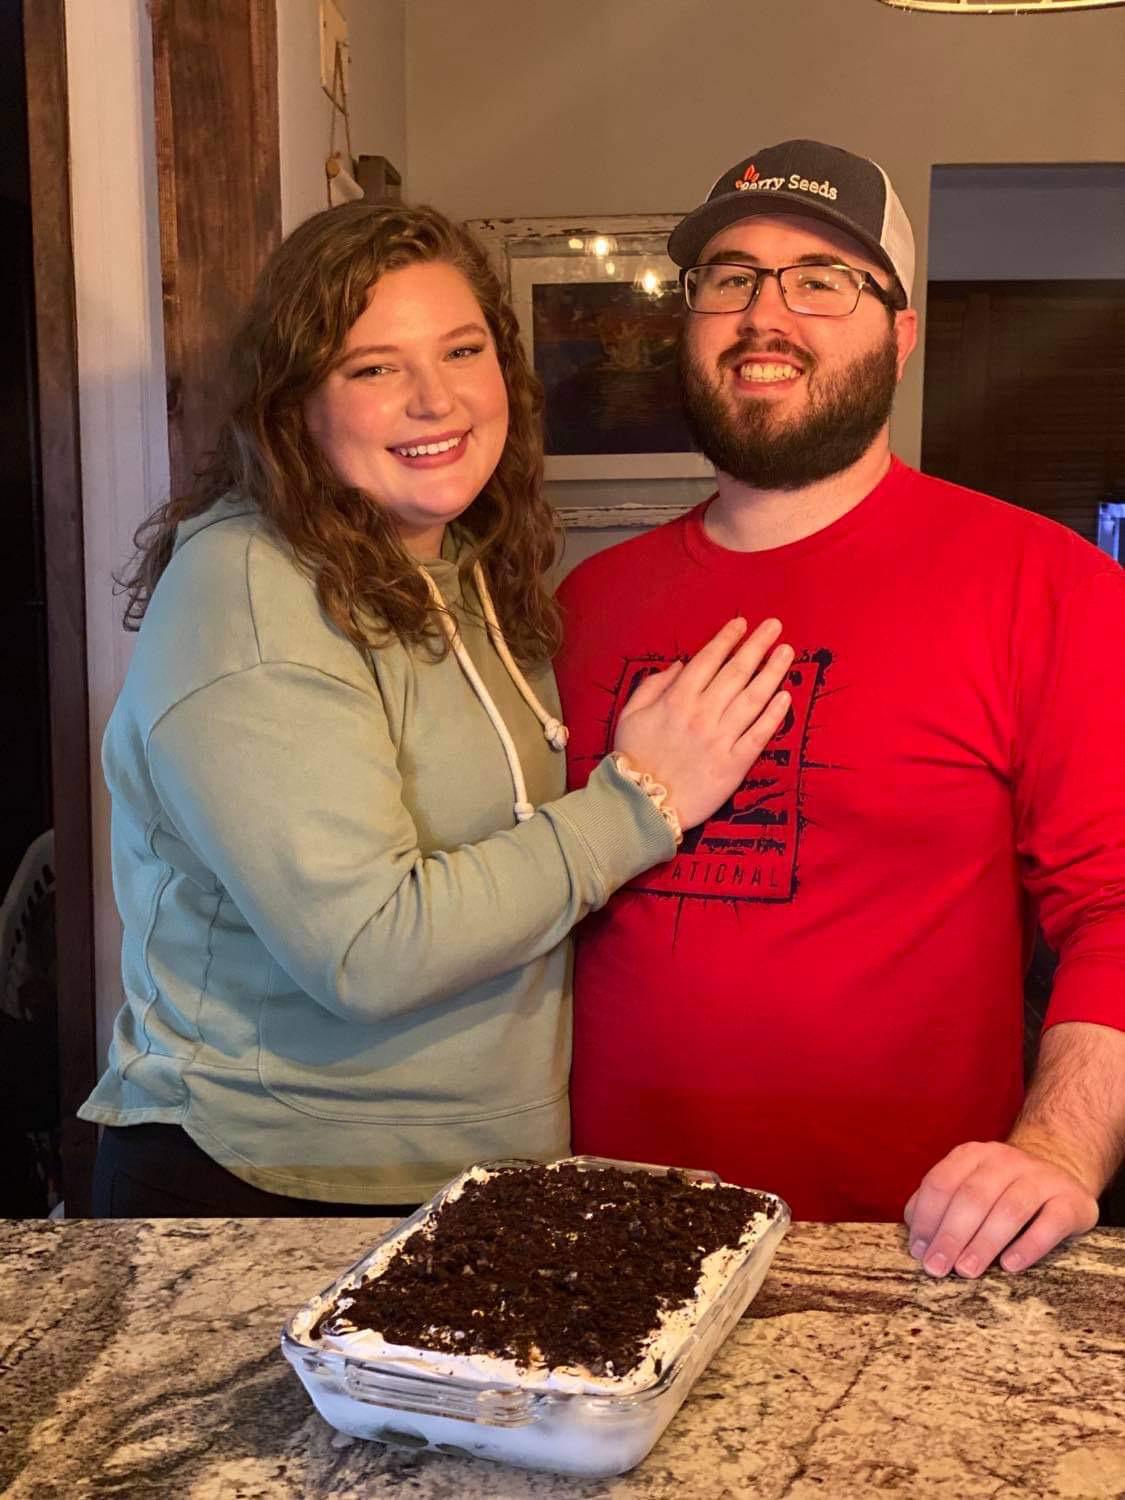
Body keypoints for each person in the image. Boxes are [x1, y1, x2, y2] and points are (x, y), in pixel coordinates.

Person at [80, 201, 792, 1217]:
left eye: (462, 350)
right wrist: (642, 801)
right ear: (294, 404)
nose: (435, 399)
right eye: (373, 367)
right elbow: (367, 953)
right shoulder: (249, 589)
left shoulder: (468, 567)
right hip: (275, 1183)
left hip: (470, 1177)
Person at [555, 140, 1125, 1277]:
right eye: (730, 278)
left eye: (820, 279)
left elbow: (1113, 908)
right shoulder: (587, 602)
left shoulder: (1047, 586)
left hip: (914, 1250)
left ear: (900, 335)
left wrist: (1058, 1148)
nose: (765, 314)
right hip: (603, 1235)